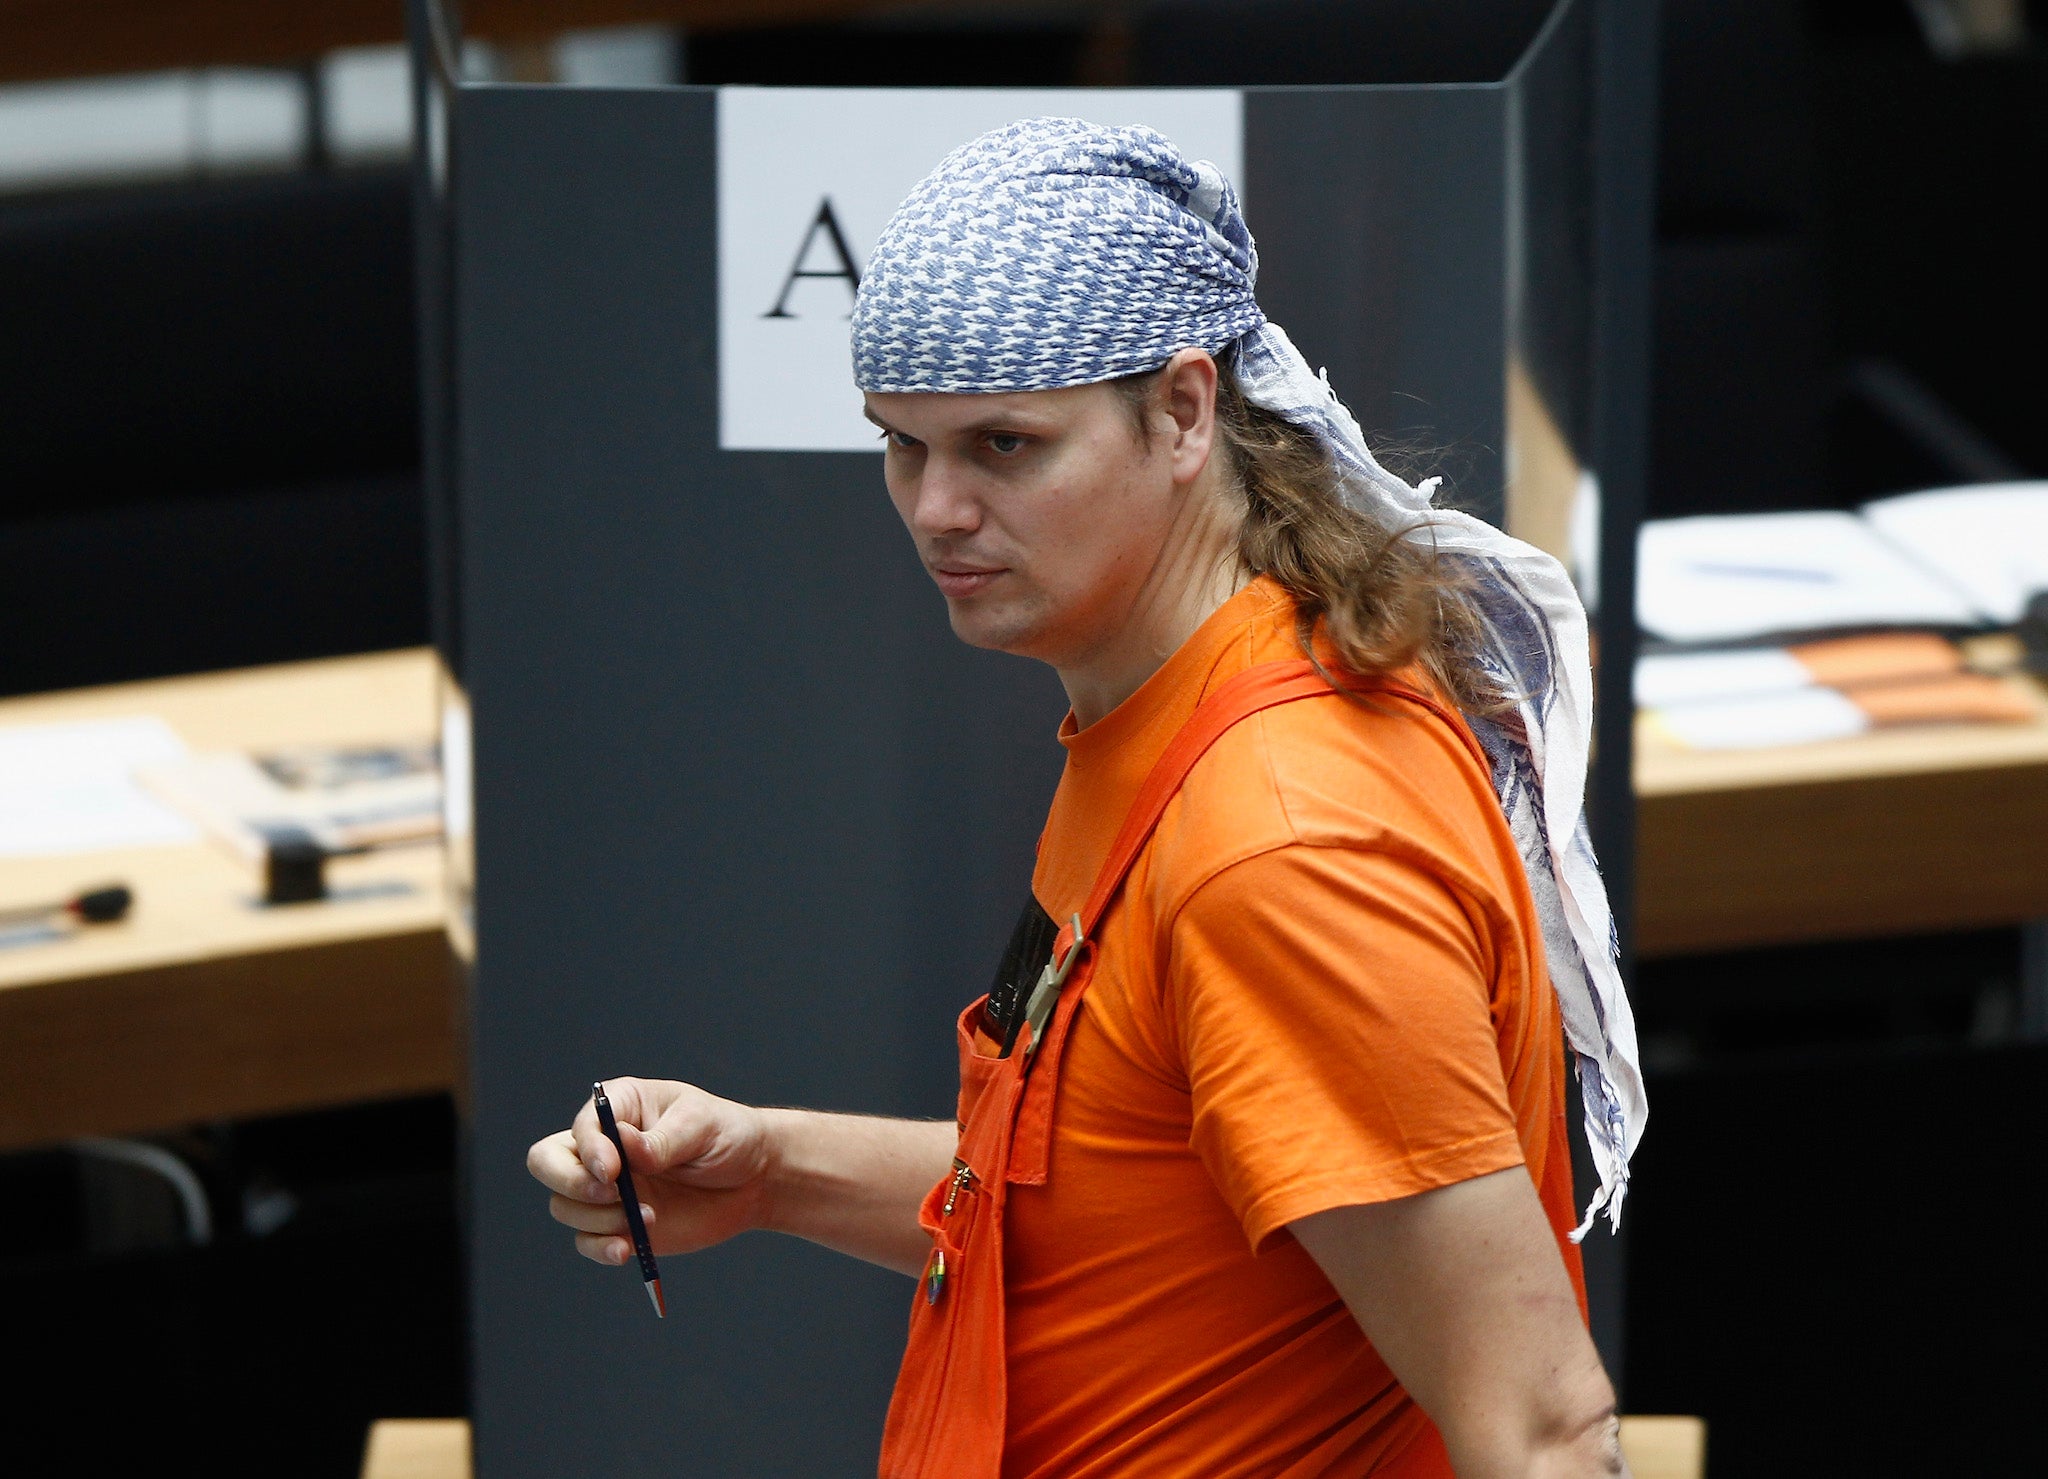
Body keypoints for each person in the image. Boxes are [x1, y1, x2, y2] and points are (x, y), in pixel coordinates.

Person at [528, 118, 1646, 1478]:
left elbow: (1543, 1428)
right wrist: (773, 1173)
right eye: (902, 446)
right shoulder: (1178, 713)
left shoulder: (1284, 846)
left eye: (1004, 446)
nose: (935, 508)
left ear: (1183, 412)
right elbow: (1128, 1196)